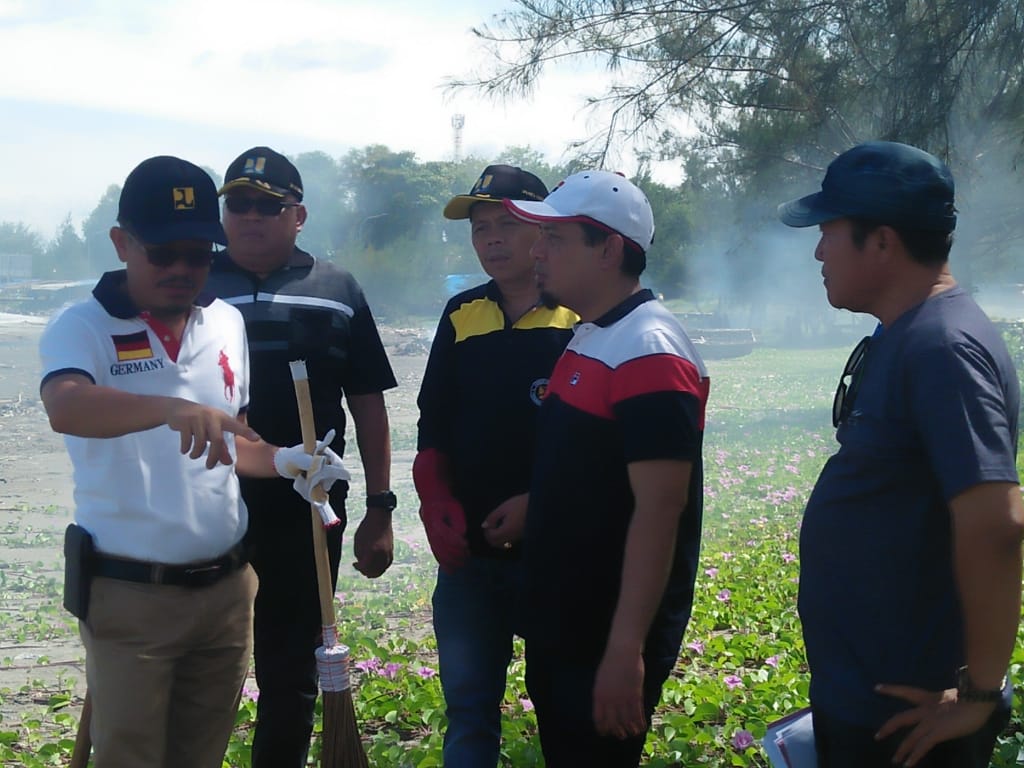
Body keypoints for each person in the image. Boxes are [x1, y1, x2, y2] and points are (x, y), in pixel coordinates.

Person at [39, 156, 344, 768]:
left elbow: (231, 439)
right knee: (131, 757)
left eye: (199, 254)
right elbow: (66, 406)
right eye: (163, 253)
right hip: (131, 593)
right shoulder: (82, 325)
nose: (182, 269)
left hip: (226, 590)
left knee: (201, 753)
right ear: (122, 243)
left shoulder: (224, 322)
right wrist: (169, 408)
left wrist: (286, 460)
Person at [778, 140, 1023, 767]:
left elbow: (996, 524)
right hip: (871, 699)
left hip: (908, 720)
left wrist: (979, 693)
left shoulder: (943, 347)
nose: (819, 251)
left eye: (829, 231)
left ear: (882, 241)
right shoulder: (909, 334)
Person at [503, 170, 711, 767]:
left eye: (556, 239)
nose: (536, 252)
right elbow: (597, 470)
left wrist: (626, 651)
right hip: (567, 621)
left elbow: (659, 512)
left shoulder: (649, 350)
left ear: (610, 249)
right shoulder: (594, 334)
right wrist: (538, 505)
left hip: (603, 634)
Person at [204, 146, 398, 768]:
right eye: (238, 203)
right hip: (205, 501)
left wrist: (380, 507)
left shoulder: (337, 290)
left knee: (290, 668)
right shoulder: (192, 284)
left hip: (306, 504)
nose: (250, 216)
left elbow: (368, 404)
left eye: (268, 206)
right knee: (202, 660)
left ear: (299, 215)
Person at [415, 164, 577, 766]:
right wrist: (436, 501)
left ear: (543, 228)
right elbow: (434, 423)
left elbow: (599, 447)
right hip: (471, 559)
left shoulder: (579, 315)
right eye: (480, 228)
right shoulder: (462, 314)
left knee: (564, 708)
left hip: (558, 554)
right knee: (468, 709)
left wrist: (544, 505)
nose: (491, 240)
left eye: (505, 224)